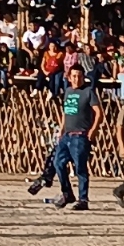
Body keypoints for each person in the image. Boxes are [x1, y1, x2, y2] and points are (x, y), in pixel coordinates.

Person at [54, 64, 102, 211]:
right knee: (58, 163)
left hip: (80, 136)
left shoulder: (88, 92)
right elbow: (65, 112)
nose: (76, 79)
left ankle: (83, 199)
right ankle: (67, 193)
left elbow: (98, 112)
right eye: (74, 76)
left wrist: (93, 129)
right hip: (67, 135)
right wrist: (61, 130)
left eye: (79, 76)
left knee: (80, 168)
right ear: (69, 77)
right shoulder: (68, 91)